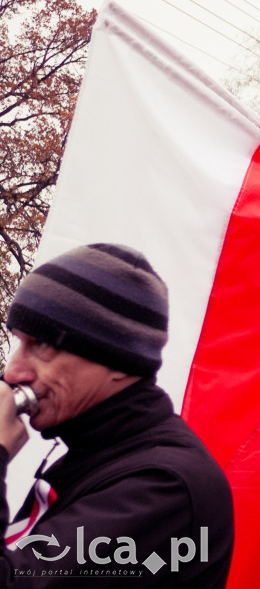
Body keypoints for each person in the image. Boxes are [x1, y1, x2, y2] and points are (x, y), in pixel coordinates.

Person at [0, 243, 234, 586]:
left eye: (42, 345)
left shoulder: (164, 487)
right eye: (18, 343)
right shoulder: (95, 453)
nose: (13, 372)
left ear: (119, 362)